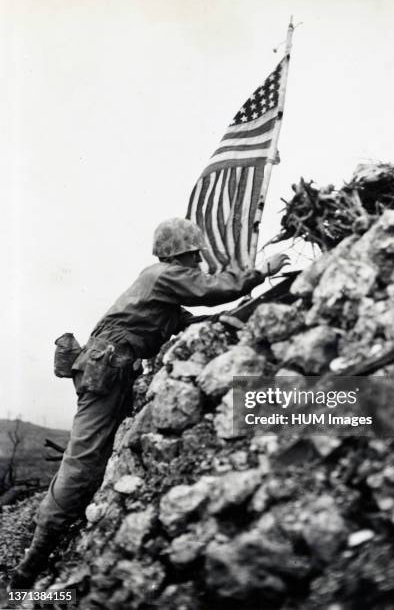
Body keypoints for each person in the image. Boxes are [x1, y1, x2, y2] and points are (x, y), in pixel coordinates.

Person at [9, 218, 289, 588]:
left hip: (111, 369)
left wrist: (246, 307)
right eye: (195, 255)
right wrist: (258, 274)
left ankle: (40, 554)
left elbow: (195, 320)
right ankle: (28, 569)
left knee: (92, 457)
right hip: (108, 369)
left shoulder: (162, 292)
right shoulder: (163, 274)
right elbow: (210, 290)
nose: (199, 262)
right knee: (83, 461)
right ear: (183, 254)